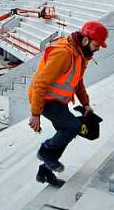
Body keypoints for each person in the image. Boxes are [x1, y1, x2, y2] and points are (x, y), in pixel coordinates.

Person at [27, 21, 108, 187]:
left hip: (58, 101)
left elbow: (77, 82)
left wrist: (86, 104)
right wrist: (35, 114)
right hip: (45, 99)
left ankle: (45, 171)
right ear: (85, 40)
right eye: (96, 45)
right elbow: (40, 85)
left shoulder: (80, 55)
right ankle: (45, 150)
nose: (97, 49)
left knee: (66, 134)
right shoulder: (64, 53)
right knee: (71, 127)